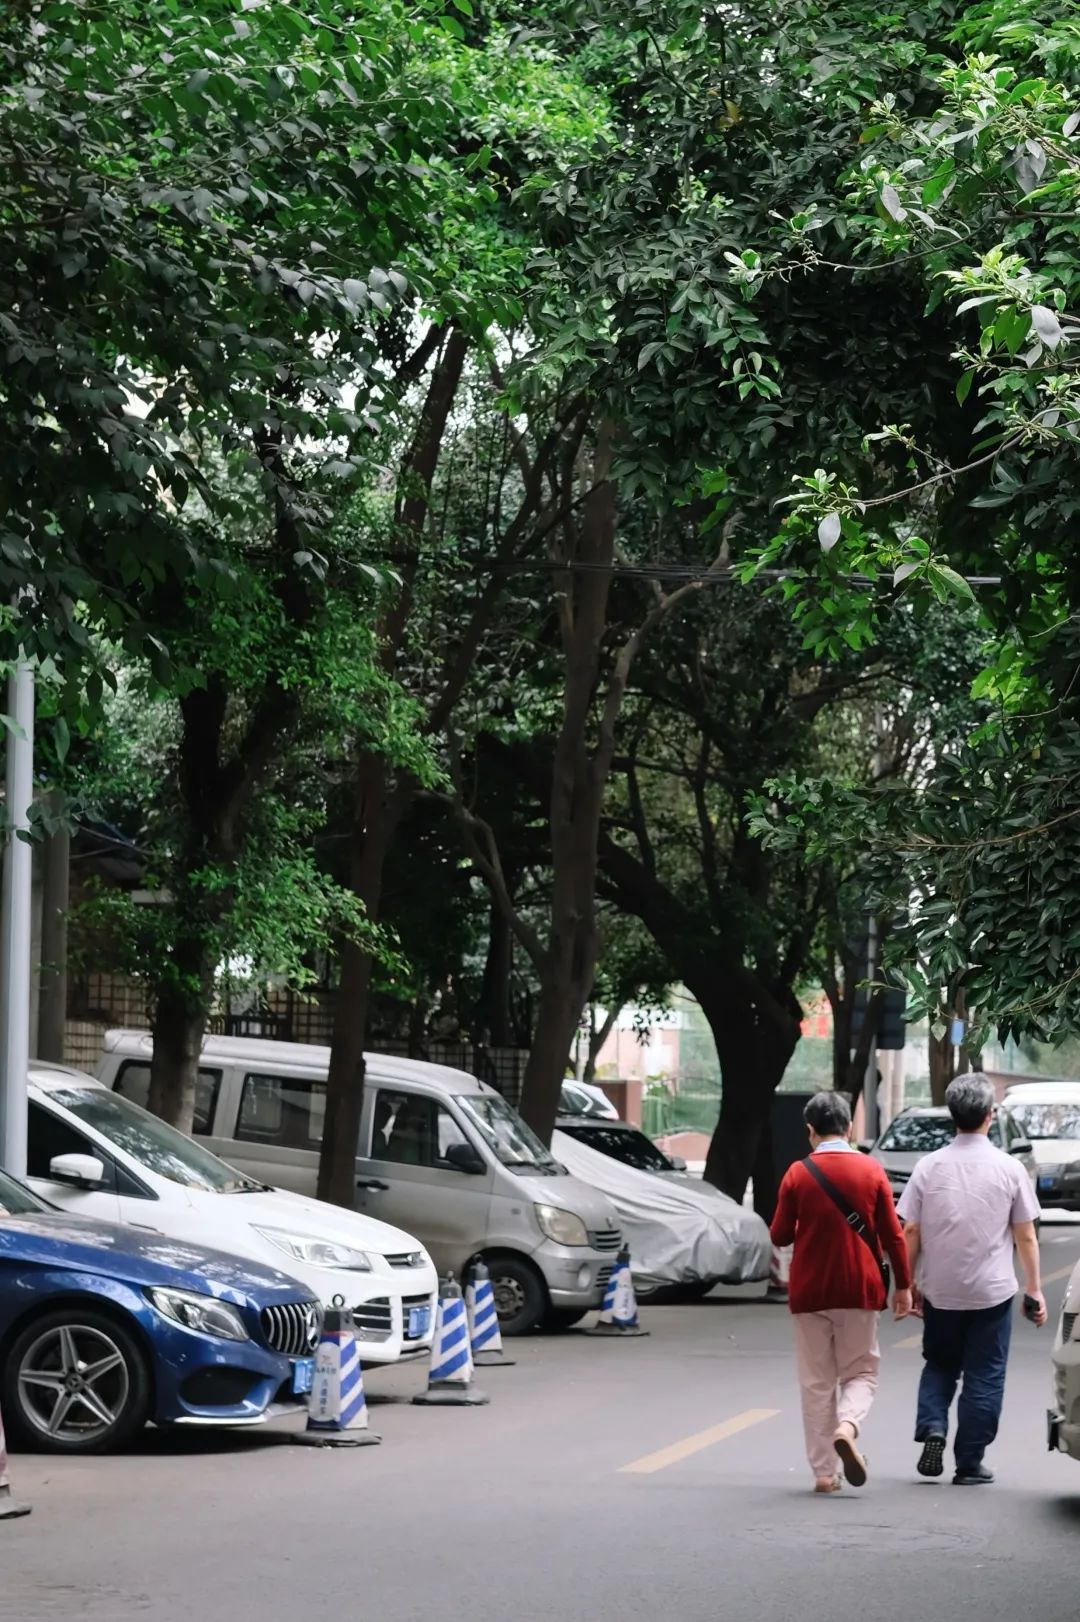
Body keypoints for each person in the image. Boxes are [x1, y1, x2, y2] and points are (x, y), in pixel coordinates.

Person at [897, 1071, 1045, 1486]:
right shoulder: (1009, 1168)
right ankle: (969, 1463)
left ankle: (934, 1427)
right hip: (991, 1292)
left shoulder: (929, 1167)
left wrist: (906, 1285)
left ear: (952, 1115)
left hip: (941, 1290)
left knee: (940, 1363)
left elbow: (910, 1230)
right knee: (986, 1373)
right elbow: (1025, 1234)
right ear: (990, 1116)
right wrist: (1034, 1288)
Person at [771, 1091, 913, 1494]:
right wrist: (904, 1286)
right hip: (859, 1287)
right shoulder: (871, 1171)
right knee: (862, 1371)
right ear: (850, 1128)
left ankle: (823, 1473)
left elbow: (780, 1234)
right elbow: (893, 1236)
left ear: (810, 1131)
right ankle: (848, 1426)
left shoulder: (797, 1174)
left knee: (816, 1381)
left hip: (810, 1291)